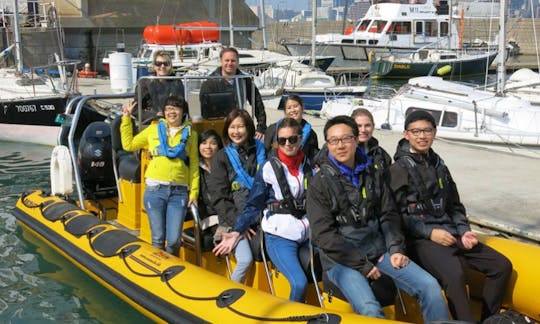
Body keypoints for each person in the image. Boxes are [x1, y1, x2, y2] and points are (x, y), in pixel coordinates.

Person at [306, 115, 449, 321]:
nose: (341, 145)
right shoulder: (319, 184)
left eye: (346, 138)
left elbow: (388, 215)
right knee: (370, 309)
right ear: (327, 145)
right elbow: (323, 236)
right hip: (342, 261)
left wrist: (396, 248)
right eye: (334, 141)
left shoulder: (373, 174)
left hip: (379, 251)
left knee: (429, 286)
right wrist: (362, 264)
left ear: (356, 140)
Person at [387, 110, 512, 322]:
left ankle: (489, 318)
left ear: (434, 132)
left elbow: (454, 204)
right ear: (406, 134)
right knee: (455, 276)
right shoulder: (398, 169)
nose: (422, 136)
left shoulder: (439, 165)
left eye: (427, 130)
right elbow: (395, 215)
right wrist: (430, 233)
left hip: (452, 233)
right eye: (416, 131)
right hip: (421, 240)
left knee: (501, 266)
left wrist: (464, 231)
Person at [214, 118, 312, 302]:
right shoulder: (268, 168)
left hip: (307, 231)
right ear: (277, 141)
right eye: (282, 140)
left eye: (292, 139)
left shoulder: (308, 165)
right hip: (279, 235)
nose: (288, 144)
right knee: (299, 283)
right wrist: (237, 230)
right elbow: (254, 203)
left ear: (300, 139)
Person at [120, 95, 199, 255]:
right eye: (168, 108)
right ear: (164, 112)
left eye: (176, 108)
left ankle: (173, 270)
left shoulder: (191, 134)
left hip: (179, 192)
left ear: (183, 112)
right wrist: (126, 119)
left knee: (174, 240)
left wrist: (194, 192)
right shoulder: (153, 129)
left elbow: (194, 165)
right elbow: (128, 145)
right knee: (157, 238)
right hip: (155, 190)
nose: (172, 112)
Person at [207, 109, 266, 283]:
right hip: (233, 221)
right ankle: (231, 292)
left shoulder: (261, 152)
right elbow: (220, 197)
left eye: (240, 127)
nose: (236, 131)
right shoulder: (221, 158)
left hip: (261, 216)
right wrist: (240, 224)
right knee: (245, 259)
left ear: (249, 128)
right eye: (232, 127)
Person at [199, 47, 267, 140]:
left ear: (238, 62)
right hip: (219, 127)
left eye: (233, 61)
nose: (229, 63)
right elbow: (205, 111)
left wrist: (261, 127)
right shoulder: (210, 82)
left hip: (240, 126)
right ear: (221, 61)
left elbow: (257, 103)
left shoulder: (245, 80)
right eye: (226, 60)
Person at [264, 95, 319, 162]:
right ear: (285, 111)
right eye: (289, 108)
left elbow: (314, 156)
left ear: (302, 108)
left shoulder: (311, 134)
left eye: (295, 106)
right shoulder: (273, 129)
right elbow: (265, 152)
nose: (293, 110)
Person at [135, 50, 185, 120]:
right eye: (158, 63)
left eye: (166, 63)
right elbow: (136, 109)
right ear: (154, 66)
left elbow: (181, 106)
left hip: (172, 121)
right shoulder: (144, 82)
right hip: (151, 122)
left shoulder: (177, 82)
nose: (162, 66)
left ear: (170, 66)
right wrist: (154, 115)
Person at [197, 129, 223, 242]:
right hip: (208, 218)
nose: (208, 147)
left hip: (227, 215)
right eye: (204, 143)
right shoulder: (195, 170)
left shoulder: (225, 167)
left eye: (213, 143)